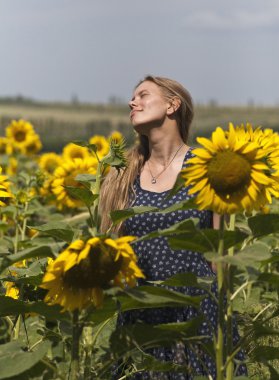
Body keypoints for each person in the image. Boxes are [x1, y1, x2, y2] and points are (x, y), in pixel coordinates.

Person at [100, 75, 246, 379]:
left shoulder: (207, 168)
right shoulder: (122, 174)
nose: (132, 102)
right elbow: (115, 254)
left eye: (142, 95)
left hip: (195, 314)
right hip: (141, 319)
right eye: (132, 98)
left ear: (172, 104)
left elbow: (219, 256)